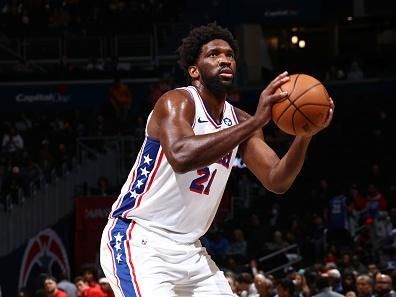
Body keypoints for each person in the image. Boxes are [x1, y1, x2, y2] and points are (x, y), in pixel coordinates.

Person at [100, 23, 334, 297]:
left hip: (190, 250)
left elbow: (277, 179)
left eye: (230, 55)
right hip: (139, 239)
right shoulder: (177, 101)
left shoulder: (242, 122)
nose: (224, 59)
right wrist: (257, 121)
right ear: (194, 70)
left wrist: (304, 136)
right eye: (213, 54)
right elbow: (182, 156)